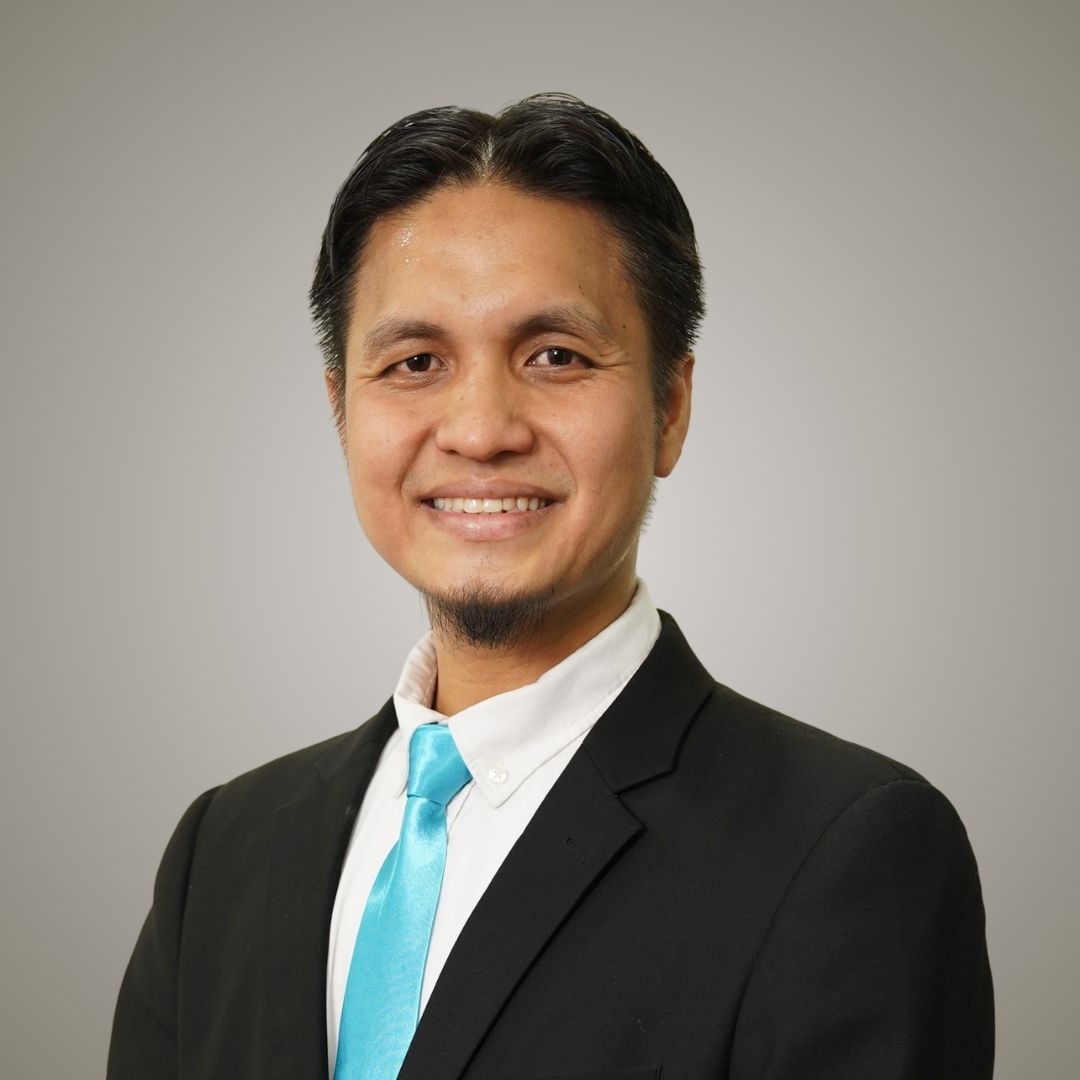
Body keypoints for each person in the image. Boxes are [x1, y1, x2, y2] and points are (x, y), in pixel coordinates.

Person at [107, 93, 993, 1080]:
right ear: (341, 409)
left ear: (671, 407)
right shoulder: (223, 853)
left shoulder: (845, 850)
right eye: (415, 361)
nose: (482, 430)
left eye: (556, 356)